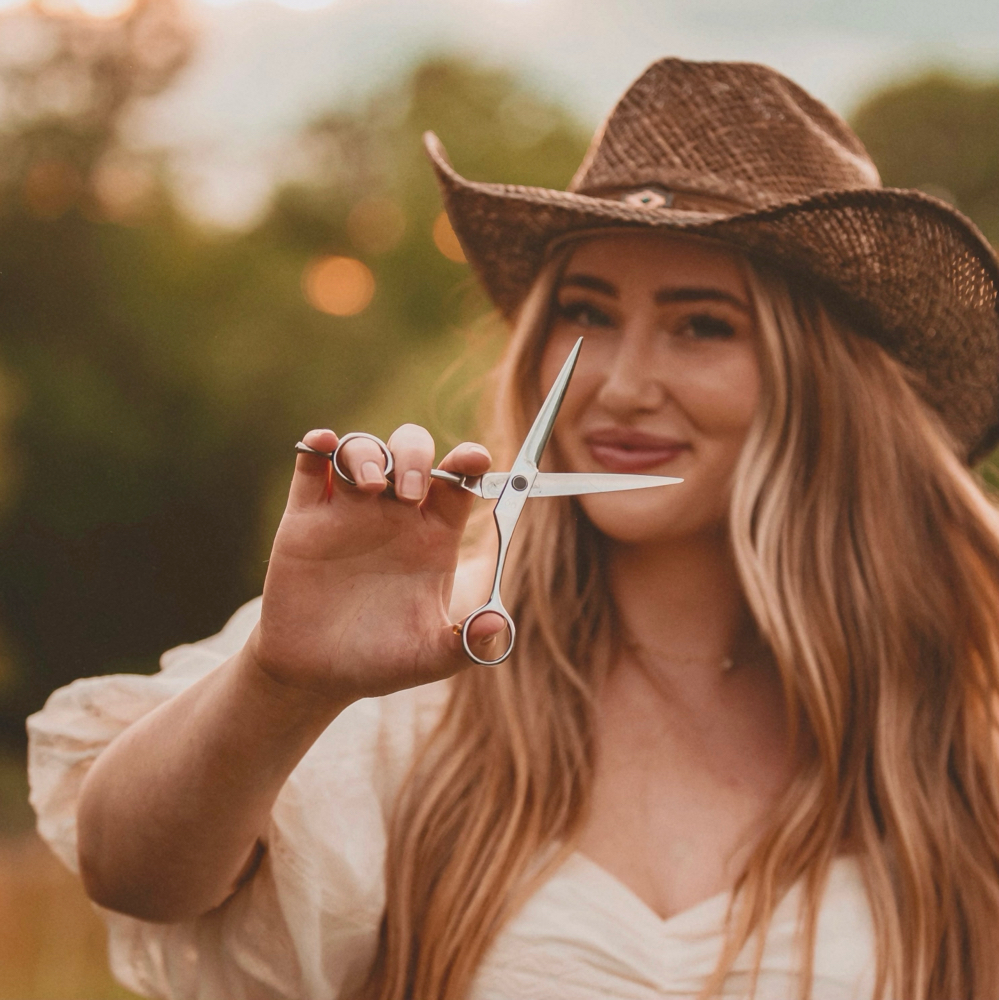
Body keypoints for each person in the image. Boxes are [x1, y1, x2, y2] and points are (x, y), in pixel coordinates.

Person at [26, 57, 999, 1000]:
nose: (620, 385)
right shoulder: (422, 650)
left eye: (702, 324)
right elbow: (130, 869)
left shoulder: (955, 720)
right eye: (586, 313)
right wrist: (281, 684)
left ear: (822, 381)